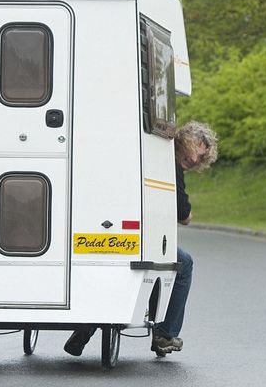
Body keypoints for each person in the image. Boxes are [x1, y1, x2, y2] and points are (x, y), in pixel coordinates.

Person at [63, 121, 218, 358]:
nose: (196, 159)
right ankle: (164, 334)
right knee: (183, 263)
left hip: (102, 230)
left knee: (113, 267)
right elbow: (183, 213)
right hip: (140, 239)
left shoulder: (147, 150)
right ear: (185, 140)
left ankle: (83, 332)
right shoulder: (171, 165)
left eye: (202, 156)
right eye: (197, 149)